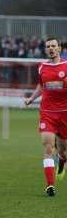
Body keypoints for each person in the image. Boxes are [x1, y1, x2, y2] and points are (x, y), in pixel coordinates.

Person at [25, 38, 67, 196]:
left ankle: (62, 160)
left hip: (65, 113)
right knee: (48, 146)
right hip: (47, 112)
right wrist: (32, 98)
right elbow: (41, 86)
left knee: (63, 150)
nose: (50, 48)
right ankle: (50, 186)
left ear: (59, 48)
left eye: (53, 46)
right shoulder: (42, 67)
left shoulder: (66, 65)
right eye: (48, 46)